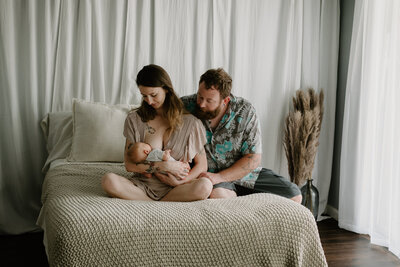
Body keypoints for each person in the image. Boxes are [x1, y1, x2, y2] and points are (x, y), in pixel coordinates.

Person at [179, 68, 302, 202]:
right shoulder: (185, 105)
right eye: (200, 96)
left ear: (225, 100)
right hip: (208, 178)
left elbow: (253, 158)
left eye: (209, 101)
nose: (201, 104)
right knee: (218, 195)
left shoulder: (245, 111)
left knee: (294, 195)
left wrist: (220, 177)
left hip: (243, 174)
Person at [101, 64, 213, 201]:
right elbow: (129, 165)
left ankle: (153, 202)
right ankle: (151, 203)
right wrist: (162, 166)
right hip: (142, 186)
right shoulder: (135, 120)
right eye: (144, 96)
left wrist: (181, 182)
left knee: (205, 186)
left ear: (166, 89)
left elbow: (202, 165)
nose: (149, 101)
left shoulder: (191, 123)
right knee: (108, 180)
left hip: (177, 188)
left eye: (153, 95)